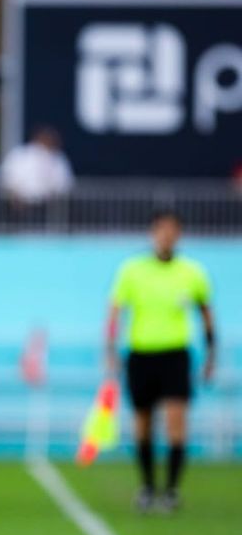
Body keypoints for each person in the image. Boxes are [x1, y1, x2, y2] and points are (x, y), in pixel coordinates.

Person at [106, 211, 216, 513]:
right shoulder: (133, 270)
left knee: (175, 423)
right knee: (142, 423)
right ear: (152, 233)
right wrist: (110, 350)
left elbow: (206, 314)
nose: (166, 236)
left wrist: (211, 354)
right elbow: (116, 312)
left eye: (172, 230)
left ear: (178, 235)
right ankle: (147, 487)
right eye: (161, 230)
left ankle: (171, 490)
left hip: (175, 355)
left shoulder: (192, 272)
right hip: (141, 354)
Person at [0, 126, 74, 210]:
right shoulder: (22, 154)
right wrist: (14, 195)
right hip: (19, 205)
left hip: (46, 207)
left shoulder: (58, 158)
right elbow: (7, 176)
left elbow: (64, 183)